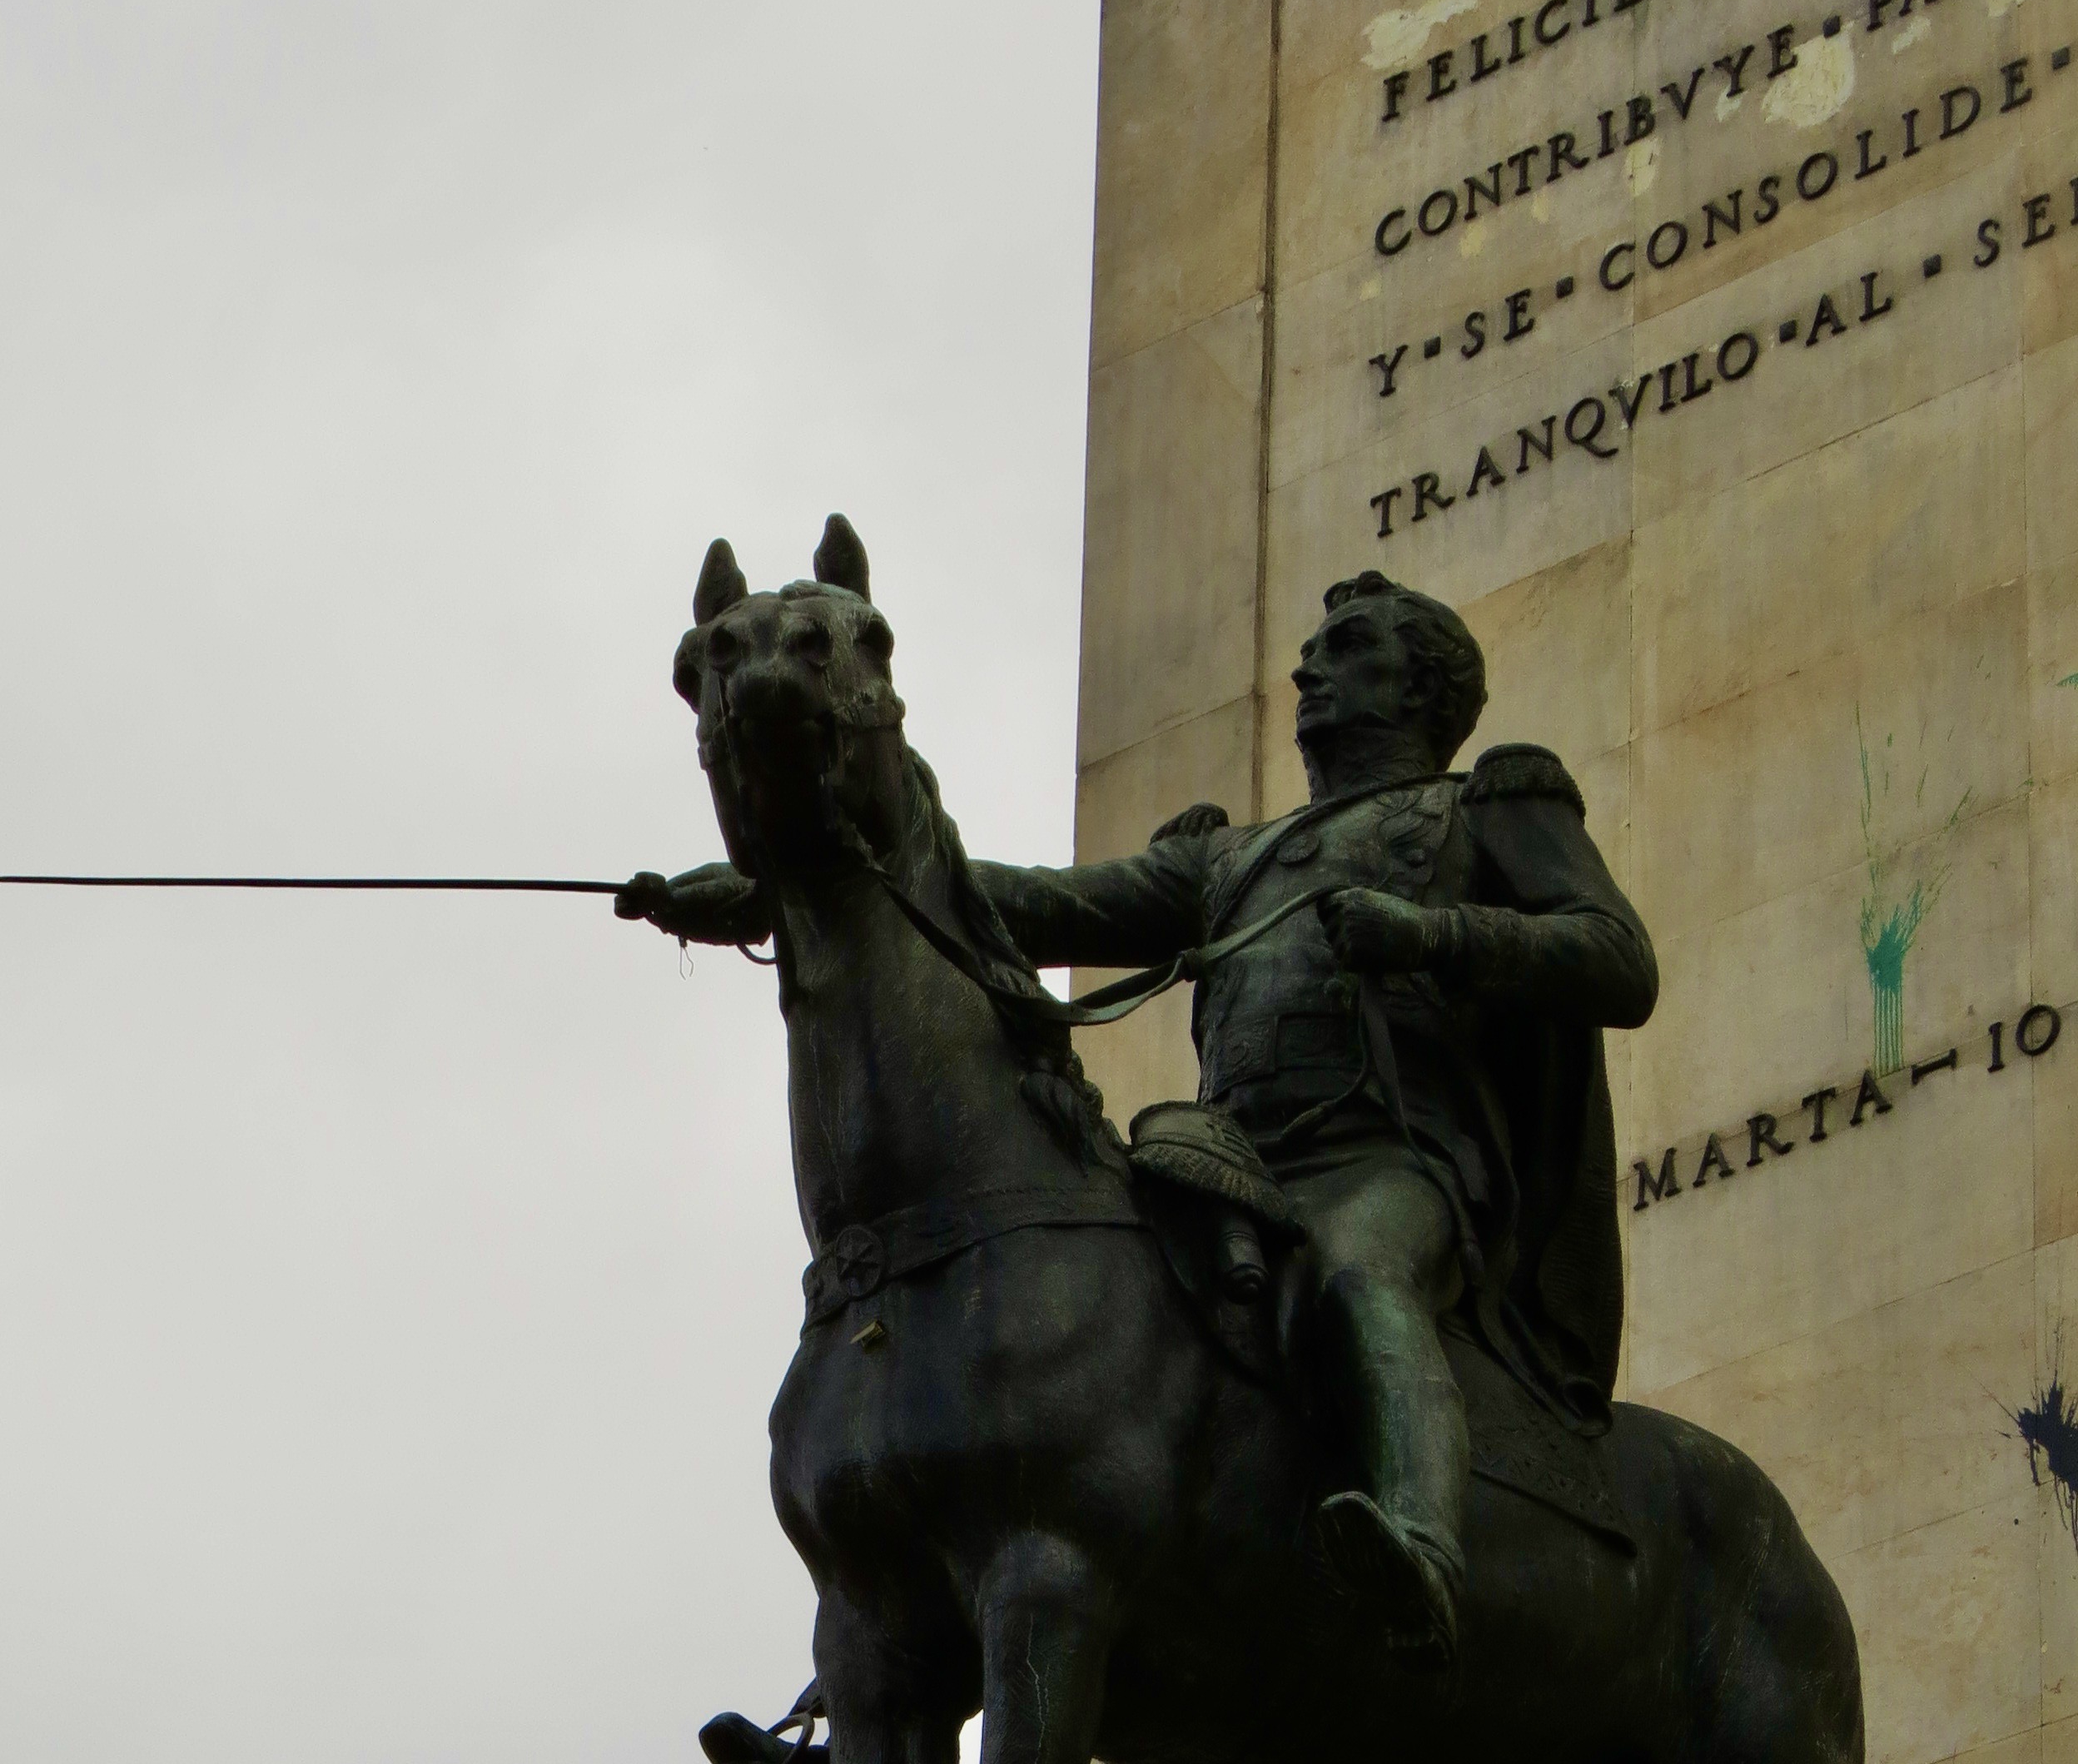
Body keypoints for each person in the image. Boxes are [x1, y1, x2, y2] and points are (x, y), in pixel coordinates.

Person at [621, 571, 1658, 1667]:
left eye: (1348, 649)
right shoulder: (1230, 860)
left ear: (1425, 688)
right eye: (1315, 648)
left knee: (1359, 1274)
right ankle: (885, 1660)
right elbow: (1005, 898)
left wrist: (1434, 934)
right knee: (1073, 1326)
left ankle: (1422, 1550)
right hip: (1232, 1171)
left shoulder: (1482, 808)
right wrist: (774, 883)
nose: (1308, 667)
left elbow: (1618, 959)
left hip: (1394, 1160)